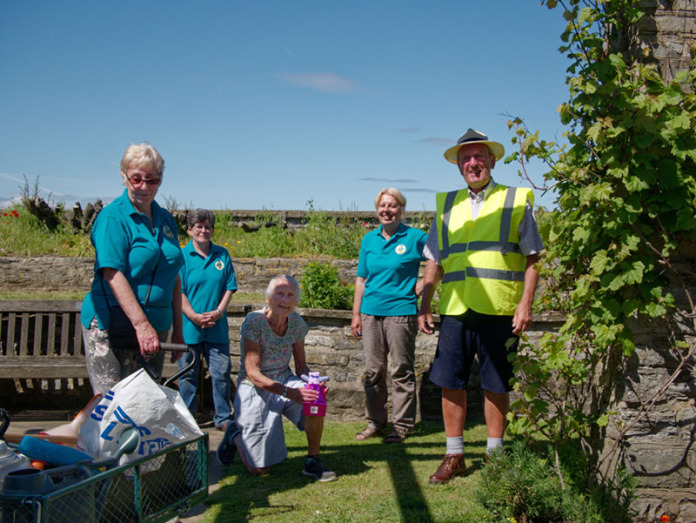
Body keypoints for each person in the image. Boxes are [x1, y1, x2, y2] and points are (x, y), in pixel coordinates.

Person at [418, 128, 543, 484]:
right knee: (449, 382)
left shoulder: (517, 199)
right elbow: (434, 259)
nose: (473, 163)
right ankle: (454, 454)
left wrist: (525, 304)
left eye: (479, 156)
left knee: (496, 383)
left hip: (500, 309)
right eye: (466, 158)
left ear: (492, 160)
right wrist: (425, 302)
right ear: (459, 166)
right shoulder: (445, 204)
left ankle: (494, 455)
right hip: (456, 308)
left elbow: (533, 257)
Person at [81, 142, 184, 396]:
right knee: (111, 408)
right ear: (124, 176)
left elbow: (173, 274)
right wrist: (141, 325)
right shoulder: (113, 218)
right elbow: (112, 273)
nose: (143, 187)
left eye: (152, 180)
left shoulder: (165, 218)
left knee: (144, 405)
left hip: (156, 327)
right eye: (136, 179)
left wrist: (178, 330)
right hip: (115, 323)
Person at [217, 275, 337, 482]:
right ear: (268, 298)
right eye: (279, 294)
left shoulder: (297, 324)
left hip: (284, 377)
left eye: (290, 295)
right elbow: (252, 372)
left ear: (296, 301)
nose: (285, 299)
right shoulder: (254, 322)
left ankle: (312, 461)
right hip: (254, 386)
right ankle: (233, 432)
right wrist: (289, 392)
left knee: (315, 398)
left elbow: (301, 367)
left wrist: (313, 382)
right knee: (260, 470)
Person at [351, 188, 427, 444]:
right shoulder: (369, 240)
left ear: (401, 209)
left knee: (401, 370)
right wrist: (356, 314)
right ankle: (376, 421)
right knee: (373, 371)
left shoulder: (415, 237)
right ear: (377, 210)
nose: (387, 210)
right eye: (383, 206)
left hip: (400, 312)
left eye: (392, 205)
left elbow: (440, 261)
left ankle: (402, 425)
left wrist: (421, 287)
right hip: (371, 313)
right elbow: (361, 279)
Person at [178, 209, 237, 431]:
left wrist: (219, 312)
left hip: (216, 327)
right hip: (189, 328)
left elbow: (229, 287)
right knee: (187, 377)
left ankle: (222, 418)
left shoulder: (222, 255)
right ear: (190, 230)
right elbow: (179, 291)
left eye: (208, 227)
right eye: (199, 226)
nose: (204, 230)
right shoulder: (181, 256)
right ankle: (187, 420)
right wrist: (193, 315)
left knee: (221, 374)